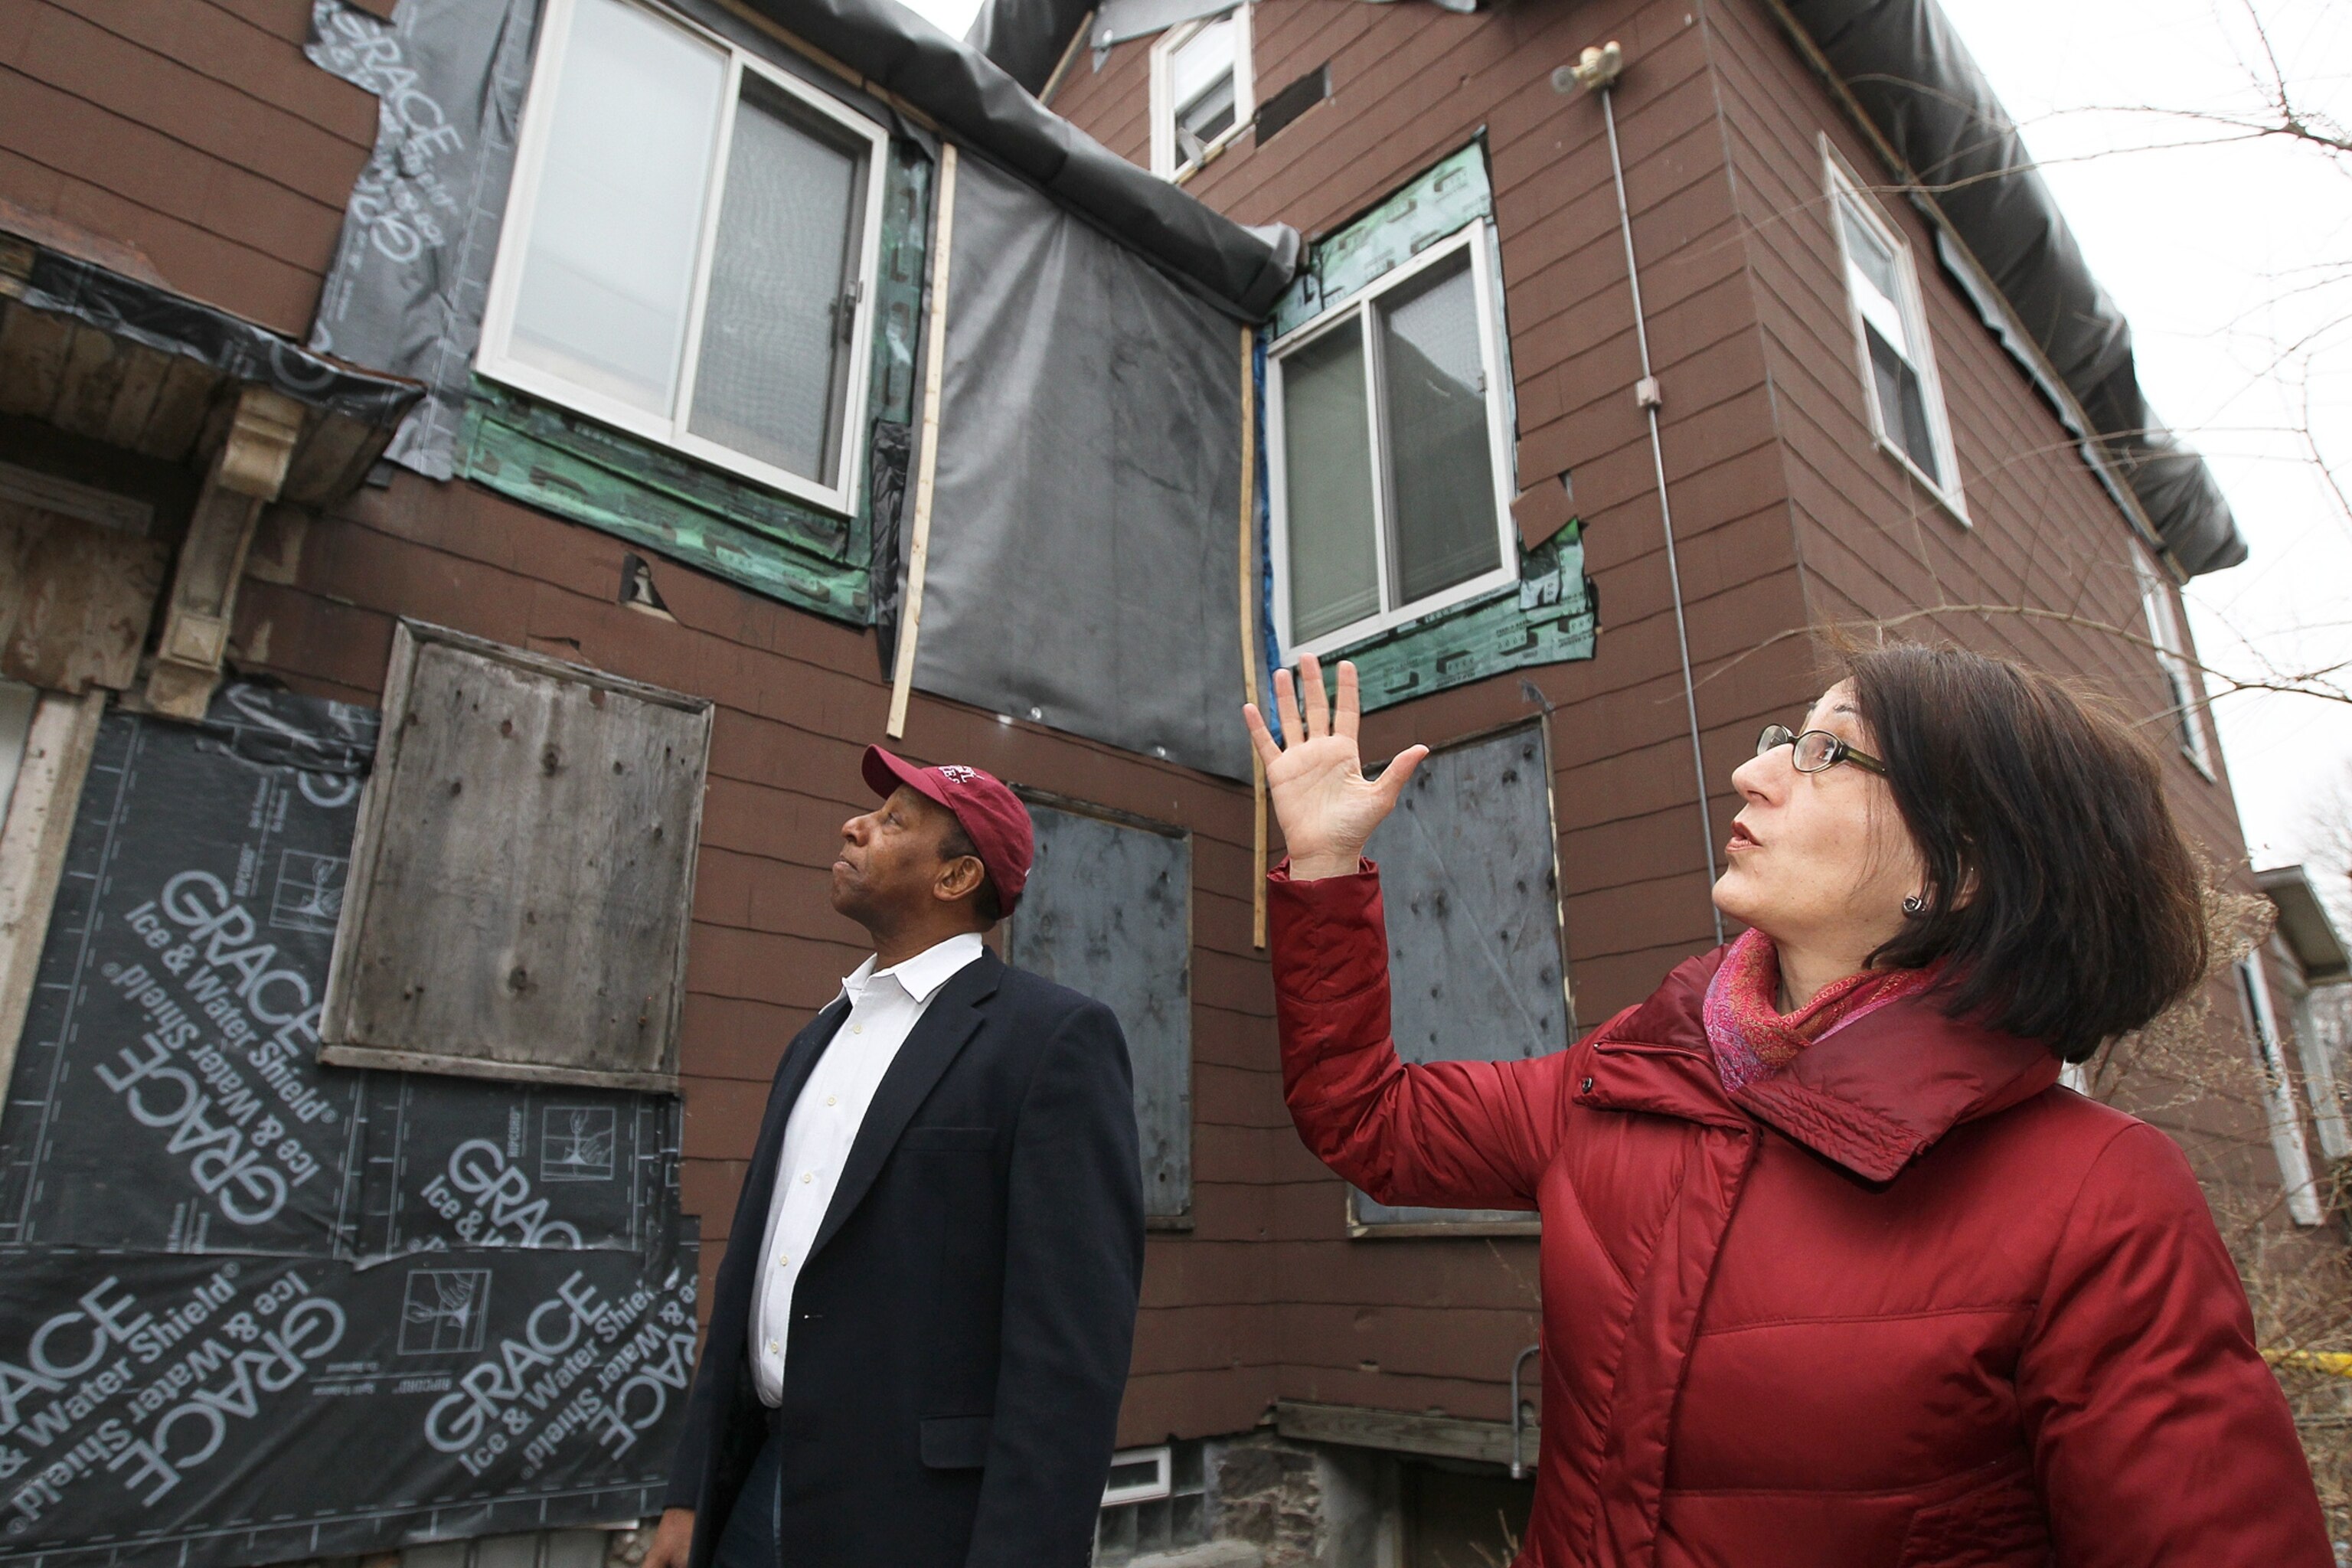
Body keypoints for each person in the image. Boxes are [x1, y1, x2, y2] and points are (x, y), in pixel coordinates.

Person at [1243, 645, 2331, 1567]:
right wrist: (1328, 864)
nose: (1753, 773)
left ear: (1962, 868)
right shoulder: (1637, 1075)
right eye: (1785, 738)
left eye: (1827, 752)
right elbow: (1371, 1121)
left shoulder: (2099, 1200)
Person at [645, 747, 1144, 1568]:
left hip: (916, 1518)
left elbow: (1070, 1346)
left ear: (954, 878)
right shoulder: (816, 1039)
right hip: (756, 1487)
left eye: (892, 822)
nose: (855, 824)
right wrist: (689, 1494)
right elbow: (751, 1280)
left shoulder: (1050, 1038)